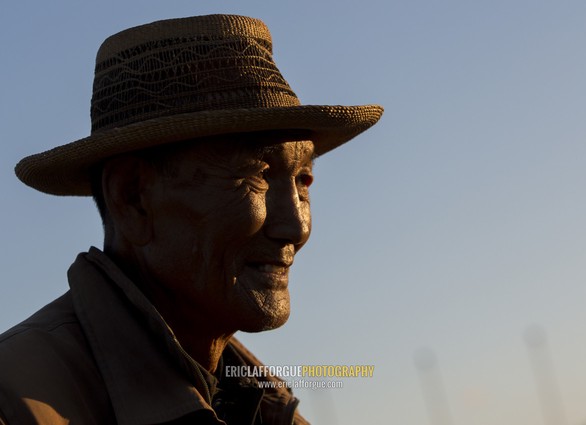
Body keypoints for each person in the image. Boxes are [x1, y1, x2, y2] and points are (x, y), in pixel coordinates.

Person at [0, 14, 383, 425]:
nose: (296, 227)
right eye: (256, 175)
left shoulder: (263, 409)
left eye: (303, 180)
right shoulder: (15, 402)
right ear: (132, 198)